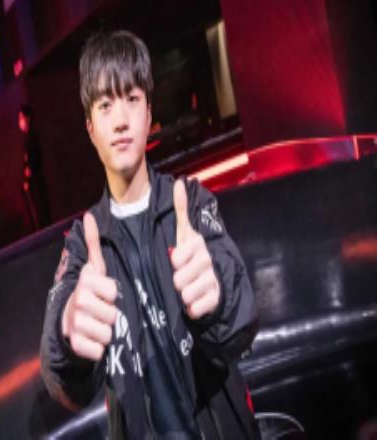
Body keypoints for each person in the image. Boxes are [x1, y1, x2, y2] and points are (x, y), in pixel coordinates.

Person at [40, 31, 259, 439]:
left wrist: (216, 294)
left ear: (149, 113)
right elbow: (64, 381)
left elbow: (243, 321)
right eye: (105, 105)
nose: (120, 119)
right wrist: (68, 332)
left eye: (131, 98)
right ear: (90, 128)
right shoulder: (84, 242)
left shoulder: (191, 203)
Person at [18, 105, 51, 230]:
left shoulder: (32, 136)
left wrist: (28, 177)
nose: (20, 122)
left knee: (40, 208)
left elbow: (32, 160)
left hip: (35, 179)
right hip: (33, 180)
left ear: (28, 118)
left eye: (21, 118)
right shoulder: (27, 138)